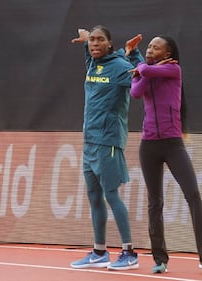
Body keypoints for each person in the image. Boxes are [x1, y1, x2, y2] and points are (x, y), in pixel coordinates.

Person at [130, 36, 202, 274]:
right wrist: (144, 70)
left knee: (193, 194)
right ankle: (159, 259)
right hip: (148, 145)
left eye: (155, 47)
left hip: (173, 145)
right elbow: (135, 93)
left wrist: (142, 66)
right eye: (149, 46)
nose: (150, 49)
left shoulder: (174, 69)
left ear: (168, 52)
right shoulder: (148, 74)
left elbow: (144, 70)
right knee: (155, 202)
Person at [69, 25, 144, 271]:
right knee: (94, 197)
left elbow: (142, 78)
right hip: (89, 143)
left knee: (111, 195)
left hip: (109, 141)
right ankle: (99, 252)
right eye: (92, 41)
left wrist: (134, 55)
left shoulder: (121, 67)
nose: (94, 44)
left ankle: (129, 252)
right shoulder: (92, 62)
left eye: (100, 40)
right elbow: (89, 49)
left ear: (111, 44)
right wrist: (85, 38)